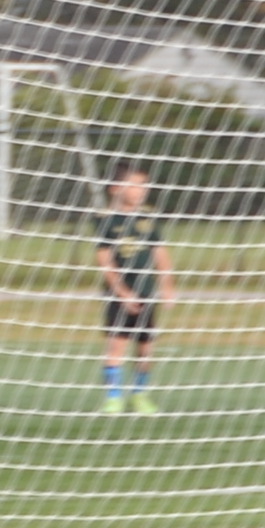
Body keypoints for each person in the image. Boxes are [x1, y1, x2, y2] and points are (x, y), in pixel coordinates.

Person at [91, 161, 167, 414]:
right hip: (119, 295)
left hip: (146, 293)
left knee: (145, 348)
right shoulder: (105, 219)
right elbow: (104, 260)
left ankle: (139, 394)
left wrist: (167, 285)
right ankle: (113, 397)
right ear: (115, 188)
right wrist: (122, 292)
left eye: (143, 184)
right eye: (134, 185)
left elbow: (160, 253)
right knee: (117, 345)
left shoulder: (148, 217)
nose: (141, 190)